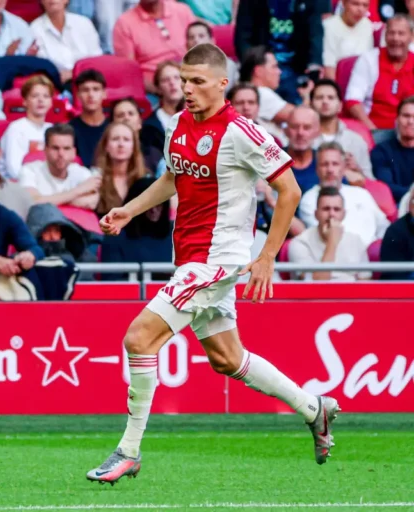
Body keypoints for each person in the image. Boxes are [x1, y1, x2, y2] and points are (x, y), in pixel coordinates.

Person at [88, 43, 338, 484]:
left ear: (223, 84)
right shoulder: (176, 123)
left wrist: (266, 258)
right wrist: (128, 209)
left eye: (197, 82)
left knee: (139, 338)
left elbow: (291, 191)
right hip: (188, 257)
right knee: (227, 358)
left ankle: (128, 450)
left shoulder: (242, 132)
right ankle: (314, 409)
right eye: (183, 80)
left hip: (217, 262)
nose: (187, 89)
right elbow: (173, 176)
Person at [289, 186, 371, 281]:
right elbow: (314, 287)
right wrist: (332, 242)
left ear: (343, 214)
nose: (331, 214)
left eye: (336, 209)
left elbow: (366, 282)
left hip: (350, 294)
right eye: (326, 209)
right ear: (316, 214)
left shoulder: (356, 241)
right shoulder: (300, 243)